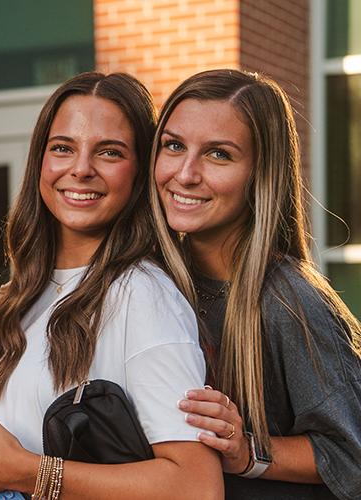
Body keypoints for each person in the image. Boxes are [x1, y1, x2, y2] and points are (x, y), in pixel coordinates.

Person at [0, 72, 223, 499]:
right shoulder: (26, 295)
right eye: (63, 148)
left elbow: (196, 487)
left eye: (110, 152)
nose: (80, 169)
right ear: (40, 160)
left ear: (140, 172)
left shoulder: (142, 294)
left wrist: (25, 472)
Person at [152, 69, 361, 499]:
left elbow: (351, 457)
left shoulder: (290, 301)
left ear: (260, 173)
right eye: (173, 146)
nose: (186, 173)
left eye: (219, 155)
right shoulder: (154, 284)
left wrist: (247, 450)